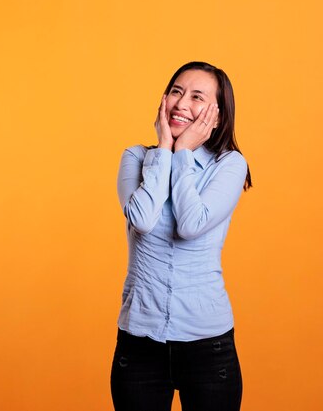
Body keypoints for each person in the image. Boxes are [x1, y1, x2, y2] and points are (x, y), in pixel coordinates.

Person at [110, 61, 252, 411]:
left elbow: (191, 223)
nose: (181, 103)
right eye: (176, 91)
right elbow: (141, 219)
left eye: (197, 96)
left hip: (208, 346)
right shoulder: (136, 158)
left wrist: (183, 152)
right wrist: (164, 150)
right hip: (139, 344)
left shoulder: (230, 165)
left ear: (217, 117)